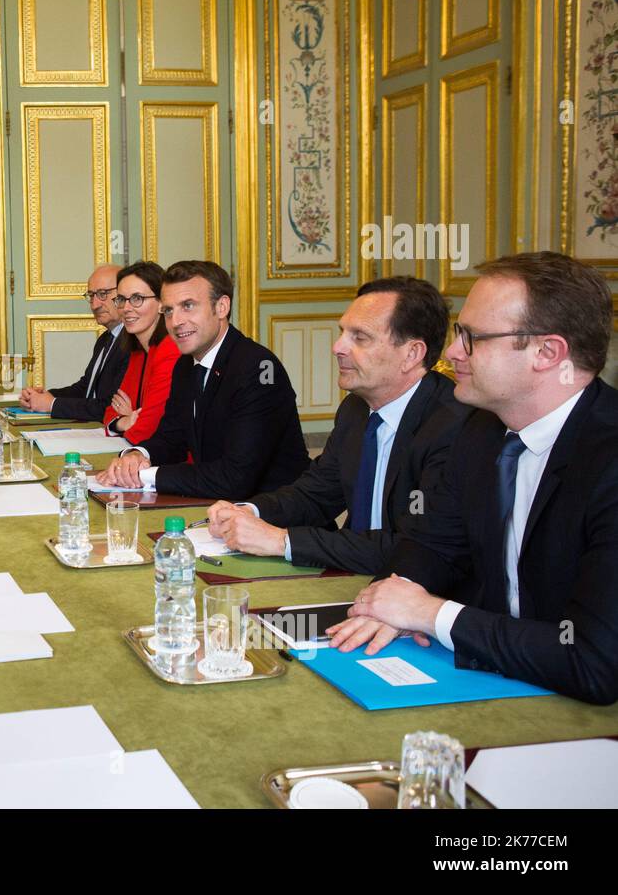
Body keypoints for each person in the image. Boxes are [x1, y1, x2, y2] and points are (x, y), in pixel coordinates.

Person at [329, 253, 618, 705]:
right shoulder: (481, 429)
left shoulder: (607, 458)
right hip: (499, 682)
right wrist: (393, 601)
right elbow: (431, 543)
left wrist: (433, 614)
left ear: (548, 352)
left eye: (473, 337)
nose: (451, 352)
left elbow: (592, 661)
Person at [205, 277, 469, 575]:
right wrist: (247, 512)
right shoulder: (355, 408)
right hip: (354, 576)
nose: (337, 347)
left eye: (360, 337)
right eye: (343, 332)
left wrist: (281, 541)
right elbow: (316, 494)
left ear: (412, 354)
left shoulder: (454, 427)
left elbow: (414, 547)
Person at [98, 260, 308, 499]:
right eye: (168, 310)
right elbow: (172, 438)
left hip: (273, 516)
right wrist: (136, 455)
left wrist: (144, 476)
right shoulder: (186, 365)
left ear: (221, 307)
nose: (175, 321)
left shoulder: (258, 368)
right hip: (217, 506)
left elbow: (235, 478)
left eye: (188, 306)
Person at [19, 264, 128, 422]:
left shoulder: (132, 343)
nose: (95, 304)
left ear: (123, 294)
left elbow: (109, 407)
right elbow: (86, 388)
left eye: (103, 294)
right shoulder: (105, 339)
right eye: (91, 295)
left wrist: (53, 404)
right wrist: (47, 396)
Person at [98, 261, 180, 444]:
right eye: (121, 299)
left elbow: (145, 431)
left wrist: (131, 420)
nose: (126, 308)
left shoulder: (170, 350)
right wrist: (123, 422)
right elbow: (111, 412)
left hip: (174, 463)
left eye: (137, 298)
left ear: (161, 303)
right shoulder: (138, 352)